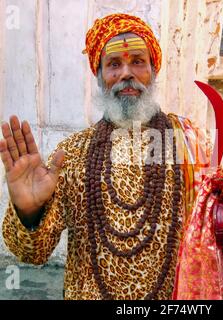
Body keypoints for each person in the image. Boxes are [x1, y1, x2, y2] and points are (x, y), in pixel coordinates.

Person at [0, 13, 210, 300]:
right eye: (114, 64)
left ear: (153, 70)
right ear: (99, 78)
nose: (126, 73)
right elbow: (32, 253)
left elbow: (211, 236)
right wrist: (28, 212)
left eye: (137, 61)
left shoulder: (188, 142)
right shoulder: (71, 154)